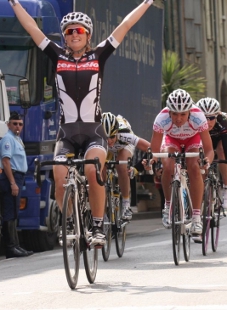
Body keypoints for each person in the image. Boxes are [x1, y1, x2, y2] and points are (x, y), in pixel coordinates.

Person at [8, 0, 156, 246]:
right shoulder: (56, 55)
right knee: (59, 175)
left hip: (93, 132)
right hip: (66, 134)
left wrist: (147, 2)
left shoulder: (99, 54)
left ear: (87, 35)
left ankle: (97, 226)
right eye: (69, 31)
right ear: (64, 37)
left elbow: (126, 24)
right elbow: (32, 29)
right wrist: (14, 3)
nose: (74, 34)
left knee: (91, 170)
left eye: (79, 30)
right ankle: (68, 223)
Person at [150, 89, 214, 240]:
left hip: (192, 140)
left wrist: (207, 161)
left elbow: (209, 149)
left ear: (190, 112)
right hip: (171, 141)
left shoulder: (198, 117)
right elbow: (154, 150)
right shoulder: (161, 118)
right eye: (175, 114)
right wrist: (152, 160)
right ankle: (167, 206)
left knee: (194, 167)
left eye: (183, 114)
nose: (178, 118)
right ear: (169, 113)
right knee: (168, 165)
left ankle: (197, 218)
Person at [101, 112, 150, 220]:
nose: (109, 141)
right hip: (107, 150)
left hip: (124, 146)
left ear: (116, 132)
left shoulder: (124, 134)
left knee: (121, 164)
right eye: (106, 137)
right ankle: (101, 213)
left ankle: (126, 204)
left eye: (112, 136)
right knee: (100, 172)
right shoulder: (97, 136)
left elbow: (150, 149)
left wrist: (138, 168)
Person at [0, 112, 33, 258]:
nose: (17, 126)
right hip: (10, 177)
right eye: (14, 123)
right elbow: (6, 161)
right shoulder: (8, 139)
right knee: (9, 212)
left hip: (17, 176)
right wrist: (12, 182)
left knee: (14, 212)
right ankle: (10, 247)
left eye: (20, 124)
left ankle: (16, 245)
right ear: (8, 124)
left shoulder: (17, 139)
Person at [196, 97, 227, 210]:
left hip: (219, 141)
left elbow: (225, 142)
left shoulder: (223, 119)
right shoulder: (194, 120)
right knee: (202, 159)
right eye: (204, 118)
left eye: (211, 118)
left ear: (217, 115)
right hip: (203, 143)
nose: (208, 122)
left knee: (221, 150)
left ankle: (226, 187)